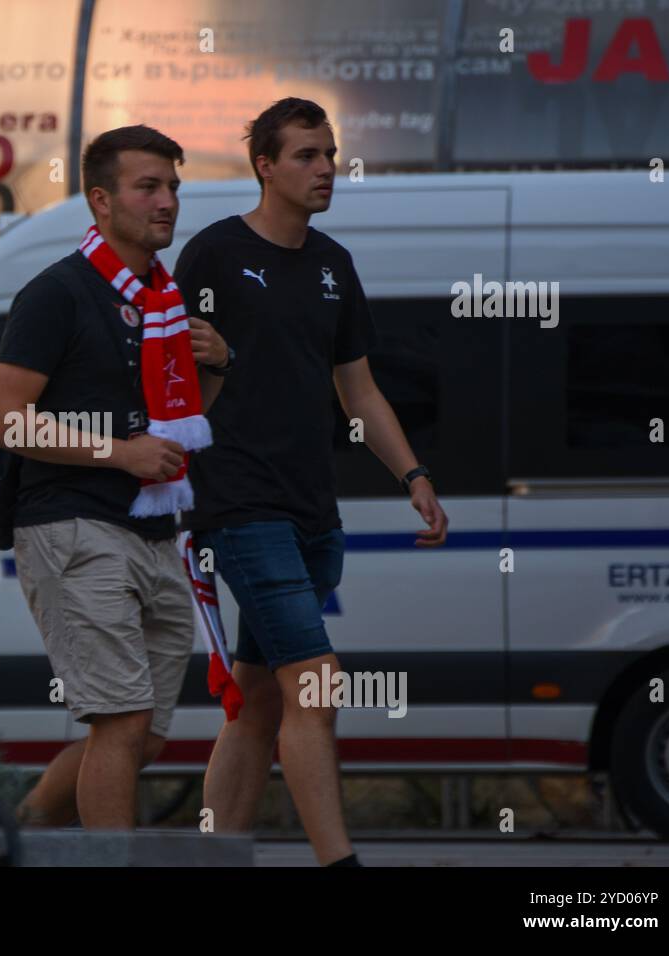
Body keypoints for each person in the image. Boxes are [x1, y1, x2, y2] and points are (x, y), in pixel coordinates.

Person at [174, 98, 450, 865]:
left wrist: (414, 474)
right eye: (305, 155)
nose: (326, 168)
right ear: (264, 165)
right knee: (318, 683)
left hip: (312, 511)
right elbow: (168, 378)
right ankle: (340, 862)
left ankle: (215, 855)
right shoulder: (214, 254)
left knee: (259, 704)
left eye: (329, 153)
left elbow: (358, 391)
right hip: (236, 503)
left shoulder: (333, 264)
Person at [0, 125, 231, 829]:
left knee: (141, 733)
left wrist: (215, 365)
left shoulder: (163, 298)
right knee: (122, 724)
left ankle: (21, 833)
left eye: (174, 188)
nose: (168, 202)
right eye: (148, 186)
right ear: (100, 201)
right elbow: (4, 423)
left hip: (153, 528)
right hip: (72, 522)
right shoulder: (57, 293)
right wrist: (120, 454)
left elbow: (177, 425)